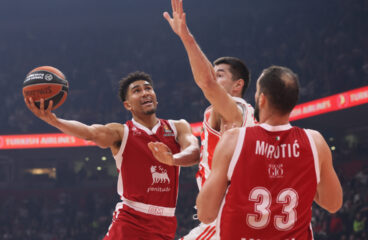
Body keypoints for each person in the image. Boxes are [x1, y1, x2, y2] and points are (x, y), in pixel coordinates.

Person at [24, 71, 200, 240]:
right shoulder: (121, 132)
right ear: (128, 104)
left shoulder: (178, 127)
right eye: (137, 91)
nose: (145, 92)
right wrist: (55, 121)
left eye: (148, 88)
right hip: (132, 220)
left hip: (166, 221)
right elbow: (89, 132)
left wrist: (172, 159)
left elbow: (194, 151)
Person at [196, 66, 343, 239]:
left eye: (257, 93)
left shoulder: (233, 140)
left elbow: (206, 214)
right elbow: (333, 204)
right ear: (293, 101)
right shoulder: (315, 142)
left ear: (262, 99)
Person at [157, 0, 255, 239]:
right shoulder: (238, 115)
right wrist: (173, 159)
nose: (212, 76)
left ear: (237, 85)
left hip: (225, 215)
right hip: (230, 212)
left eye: (219, 74)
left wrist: (185, 37)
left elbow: (206, 83)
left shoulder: (235, 109)